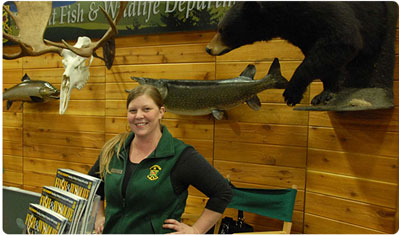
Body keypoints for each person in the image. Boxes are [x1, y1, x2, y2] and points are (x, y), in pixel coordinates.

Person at [88, 84, 232, 234]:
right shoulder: (113, 150)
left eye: (146, 109)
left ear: (161, 112)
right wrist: (98, 217)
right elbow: (93, 187)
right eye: (132, 110)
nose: (138, 116)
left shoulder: (180, 155)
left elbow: (223, 192)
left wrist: (196, 230)